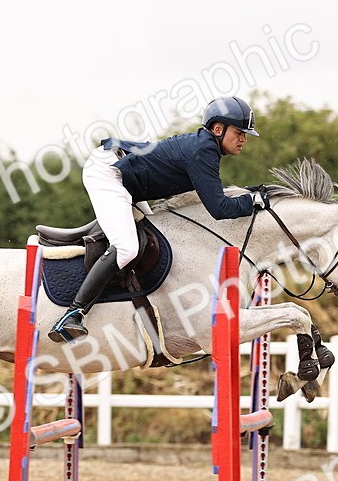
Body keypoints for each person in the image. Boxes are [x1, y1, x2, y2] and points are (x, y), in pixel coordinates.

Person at [50, 95, 269, 343]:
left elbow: (213, 196)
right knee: (126, 248)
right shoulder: (203, 150)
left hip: (126, 176)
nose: (243, 139)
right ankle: (73, 314)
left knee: (154, 234)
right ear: (218, 129)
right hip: (109, 172)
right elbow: (219, 209)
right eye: (239, 132)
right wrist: (252, 201)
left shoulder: (206, 147)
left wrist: (247, 195)